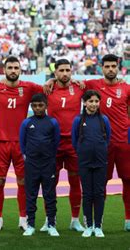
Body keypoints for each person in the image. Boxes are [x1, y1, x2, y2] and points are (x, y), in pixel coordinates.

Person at [0, 56, 43, 231]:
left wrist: (52, 79)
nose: (13, 71)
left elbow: (48, 90)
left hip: (22, 143)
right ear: (4, 70)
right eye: (10, 68)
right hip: (1, 142)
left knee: (23, 181)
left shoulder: (29, 87)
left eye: (16, 67)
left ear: (20, 70)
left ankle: (23, 218)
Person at [84, 54, 130, 230]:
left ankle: (128, 220)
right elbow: (69, 83)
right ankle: (97, 223)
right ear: (101, 68)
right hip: (102, 145)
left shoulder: (126, 88)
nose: (111, 69)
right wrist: (51, 82)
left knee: (128, 180)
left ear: (118, 67)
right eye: (107, 66)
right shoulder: (93, 85)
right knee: (100, 182)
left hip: (124, 143)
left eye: (113, 66)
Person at [45, 59, 86, 232]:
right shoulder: (47, 88)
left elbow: (104, 82)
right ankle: (49, 220)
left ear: (72, 71)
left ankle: (75, 220)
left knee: (75, 181)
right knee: (50, 183)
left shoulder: (80, 87)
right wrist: (49, 81)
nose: (64, 73)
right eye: (61, 70)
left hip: (73, 144)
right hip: (53, 143)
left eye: (67, 70)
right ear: (55, 73)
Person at [19, 93, 61, 237]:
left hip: (48, 164)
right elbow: (22, 143)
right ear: (31, 106)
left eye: (40, 105)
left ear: (46, 106)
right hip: (32, 164)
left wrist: (48, 156)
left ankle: (51, 224)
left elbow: (56, 142)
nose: (37, 108)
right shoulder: (26, 123)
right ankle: (30, 225)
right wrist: (29, 157)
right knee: (31, 195)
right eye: (34, 106)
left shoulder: (53, 122)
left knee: (50, 195)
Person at [72, 90, 111, 238]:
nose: (94, 104)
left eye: (96, 101)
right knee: (87, 194)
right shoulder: (78, 120)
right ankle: (88, 226)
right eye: (91, 101)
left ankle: (98, 226)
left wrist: (100, 151)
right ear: (84, 102)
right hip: (84, 162)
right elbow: (75, 141)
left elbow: (107, 139)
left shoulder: (104, 120)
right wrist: (84, 152)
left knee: (99, 194)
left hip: (100, 162)